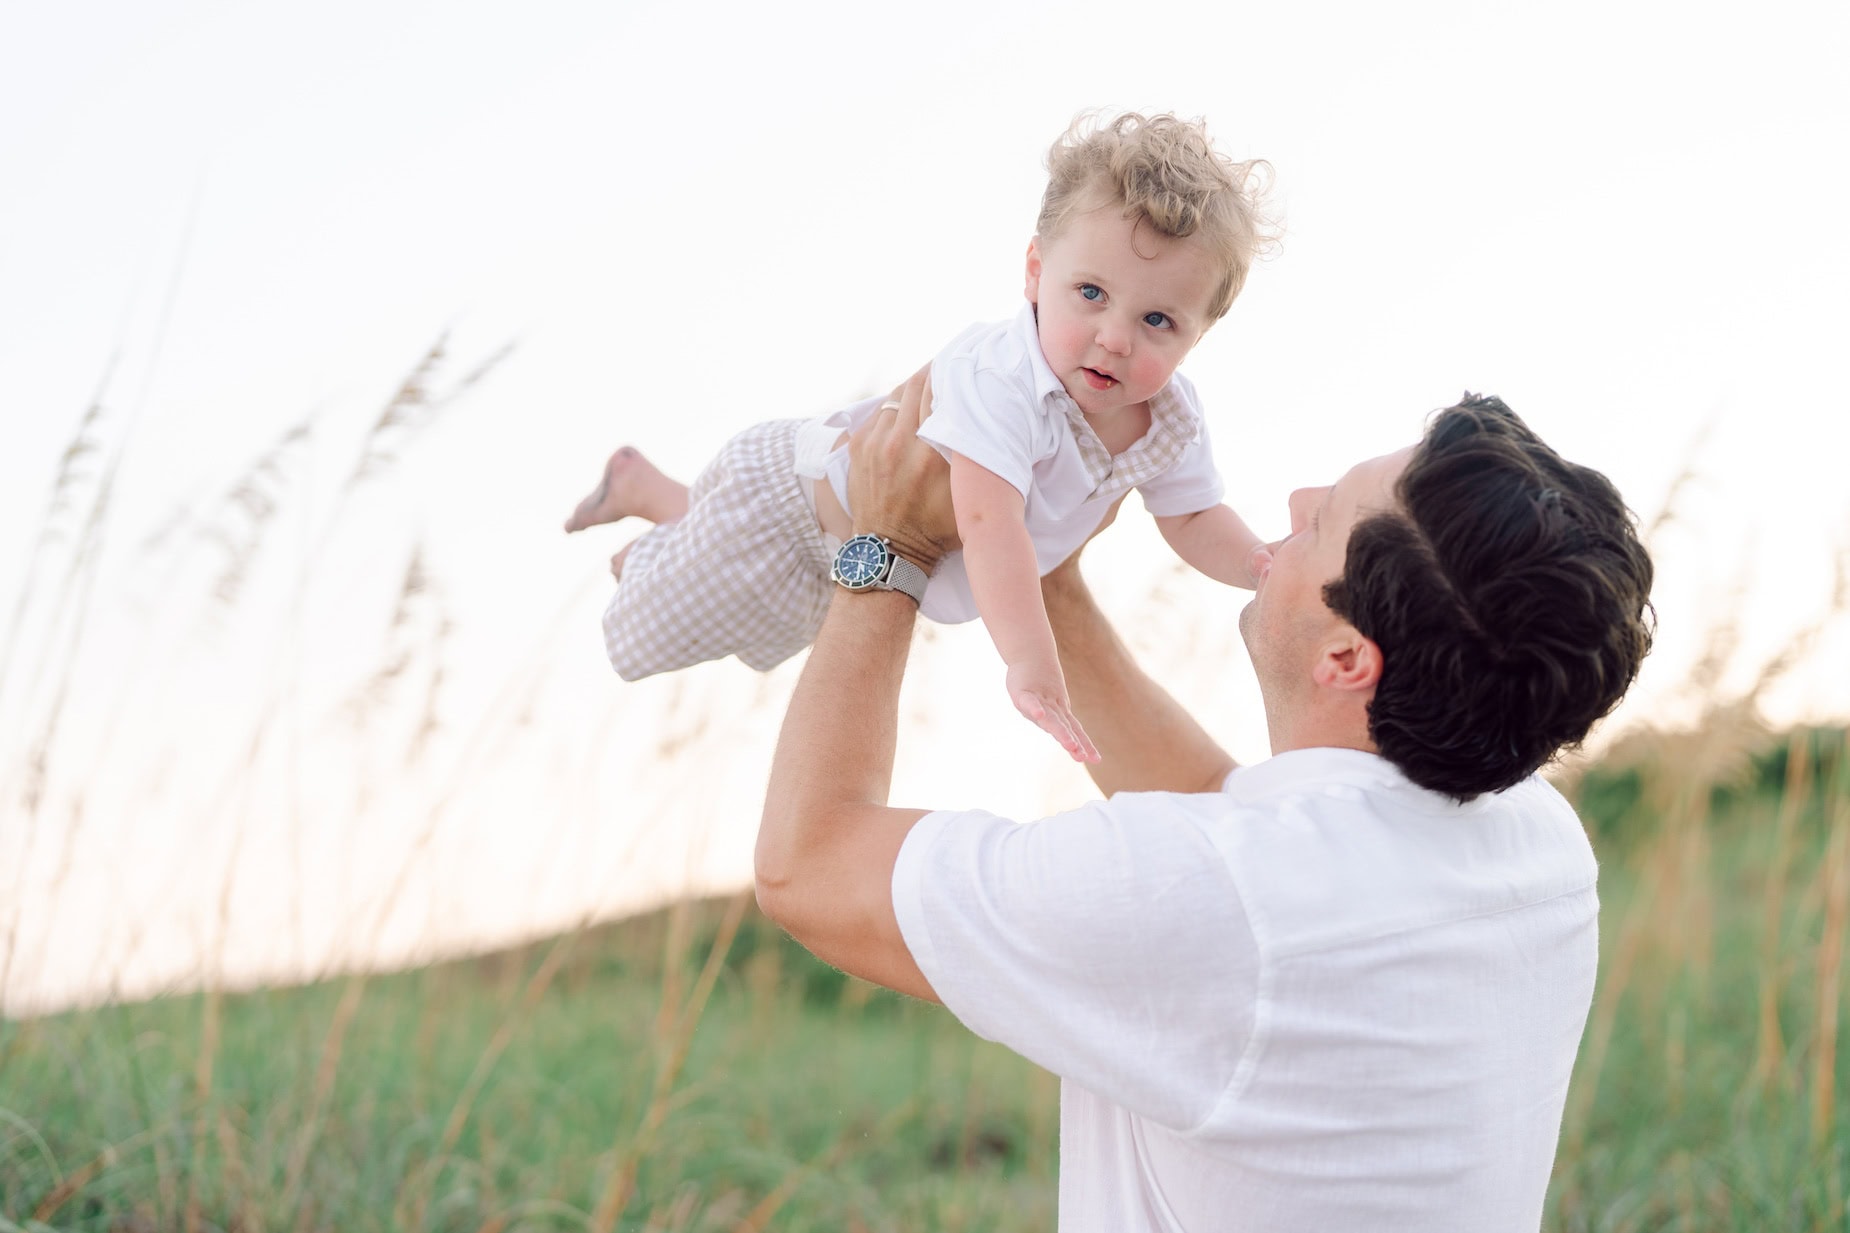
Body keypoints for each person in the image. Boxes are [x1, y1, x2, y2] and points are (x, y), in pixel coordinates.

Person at [752, 371, 1655, 1232]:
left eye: (1327, 518)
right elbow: (1241, 839)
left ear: (1347, 659)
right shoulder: (1539, 842)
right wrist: (1041, 575)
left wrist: (890, 550)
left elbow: (808, 865)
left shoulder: (1219, 897)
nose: (1297, 500)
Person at [563, 112, 1270, 762]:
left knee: (752, 619)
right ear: (1034, 273)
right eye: (1090, 294)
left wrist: (1264, 566)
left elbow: (1195, 515)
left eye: (1158, 321)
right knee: (658, 626)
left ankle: (645, 490)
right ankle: (647, 552)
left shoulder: (1169, 418)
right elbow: (989, 521)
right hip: (790, 504)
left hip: (856, 546)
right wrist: (1030, 660)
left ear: (1199, 331)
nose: (1114, 338)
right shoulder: (1003, 377)